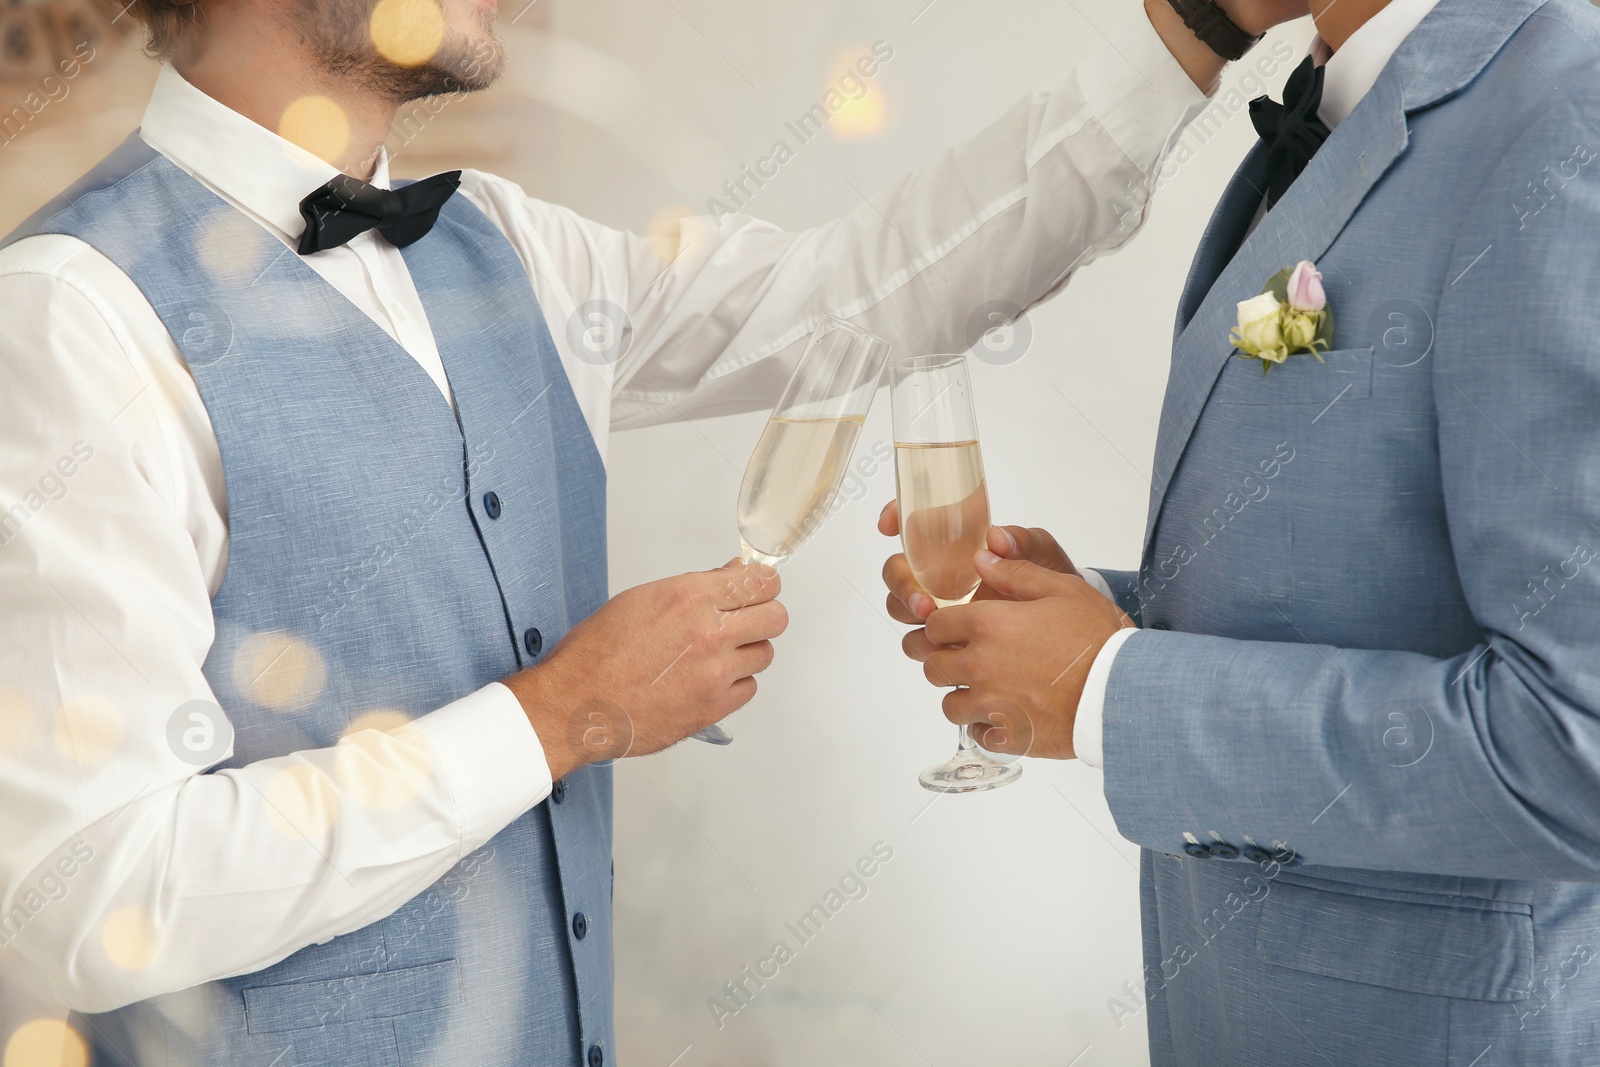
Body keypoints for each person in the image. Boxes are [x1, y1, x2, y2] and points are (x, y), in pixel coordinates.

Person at [0, 0, 1310, 1062]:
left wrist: (1195, 25)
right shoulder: (69, 316)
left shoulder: (510, 245)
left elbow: (873, 295)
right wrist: (561, 714)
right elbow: (81, 895)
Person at [883, 0, 1600, 1063]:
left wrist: (1108, 689)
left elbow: (1573, 742)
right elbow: (1380, 575)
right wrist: (1106, 619)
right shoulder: (1348, 88)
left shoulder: (1562, 113)